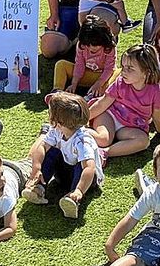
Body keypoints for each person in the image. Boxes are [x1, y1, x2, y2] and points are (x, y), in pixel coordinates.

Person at [21, 91, 104, 219]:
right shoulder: (56, 130)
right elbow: (42, 146)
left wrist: (79, 190)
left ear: (58, 122)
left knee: (80, 165)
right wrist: (36, 168)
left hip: (87, 181)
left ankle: (73, 199)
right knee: (52, 152)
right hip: (64, 173)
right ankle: (39, 188)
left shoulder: (82, 140)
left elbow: (89, 168)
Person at [88, 44, 160, 158]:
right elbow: (103, 103)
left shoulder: (157, 93)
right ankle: (73, 129)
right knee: (103, 139)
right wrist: (82, 120)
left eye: (130, 69)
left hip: (131, 126)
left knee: (143, 141)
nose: (123, 72)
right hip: (110, 115)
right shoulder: (121, 82)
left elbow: (158, 116)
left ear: (146, 72)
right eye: (123, 67)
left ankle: (104, 153)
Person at [52, 14, 116, 97]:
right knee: (61, 64)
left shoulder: (109, 48)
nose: (91, 48)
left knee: (119, 73)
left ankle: (98, 95)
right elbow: (79, 64)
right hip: (85, 75)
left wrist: (98, 84)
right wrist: (74, 84)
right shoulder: (81, 45)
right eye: (88, 45)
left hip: (102, 77)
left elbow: (109, 69)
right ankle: (57, 91)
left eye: (96, 45)